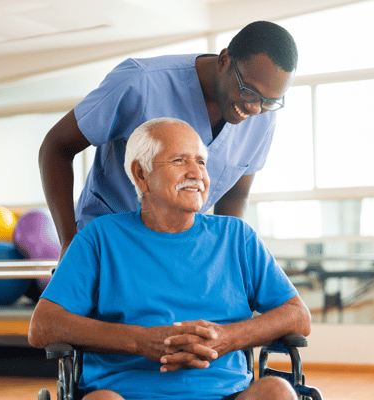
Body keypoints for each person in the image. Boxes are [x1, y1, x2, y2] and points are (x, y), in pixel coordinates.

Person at [28, 118, 311, 400]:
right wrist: (140, 341)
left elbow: (298, 315)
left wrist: (228, 338)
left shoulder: (237, 237)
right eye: (179, 160)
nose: (196, 173)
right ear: (141, 174)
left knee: (277, 391)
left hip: (225, 393)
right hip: (125, 394)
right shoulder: (99, 238)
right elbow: (43, 326)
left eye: (201, 162)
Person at [39, 21, 298, 258]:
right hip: (106, 249)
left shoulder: (262, 116)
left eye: (270, 101)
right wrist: (69, 241)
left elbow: (236, 194)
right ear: (224, 60)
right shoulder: (140, 83)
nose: (254, 108)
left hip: (177, 256)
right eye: (248, 91)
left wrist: (227, 256)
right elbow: (56, 147)